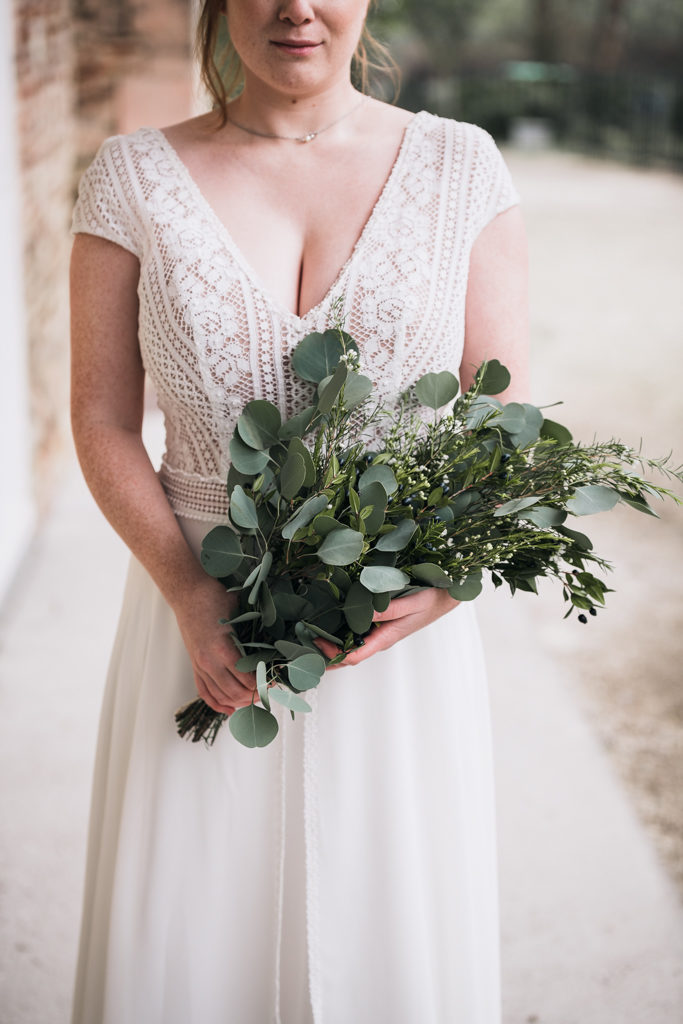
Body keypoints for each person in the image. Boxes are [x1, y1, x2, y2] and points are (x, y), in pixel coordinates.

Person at [69, 2, 529, 1022]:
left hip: (391, 637)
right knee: (188, 935)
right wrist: (189, 592)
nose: (294, 7)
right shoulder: (131, 175)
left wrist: (447, 578)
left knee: (387, 935)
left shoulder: (460, 166)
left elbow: (497, 406)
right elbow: (100, 419)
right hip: (197, 624)